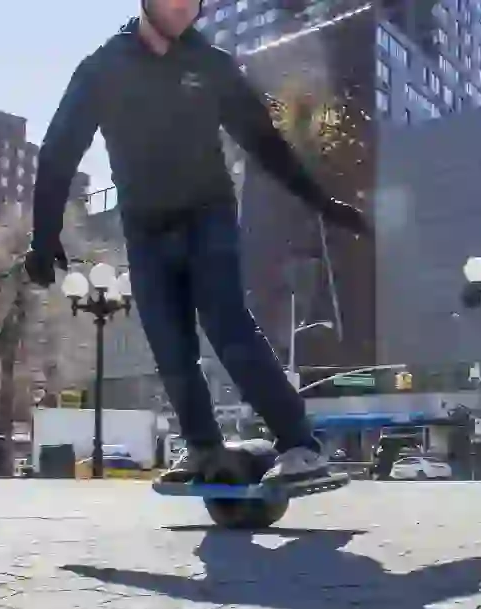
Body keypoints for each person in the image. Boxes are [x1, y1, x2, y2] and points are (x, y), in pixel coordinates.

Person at [27, 0, 367, 487]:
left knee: (226, 323)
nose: (186, 7)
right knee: (169, 341)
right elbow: (59, 150)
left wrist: (323, 202)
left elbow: (264, 142)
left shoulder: (211, 66)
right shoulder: (102, 70)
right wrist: (44, 234)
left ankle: (299, 445)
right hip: (144, 229)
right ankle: (203, 446)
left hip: (209, 217)